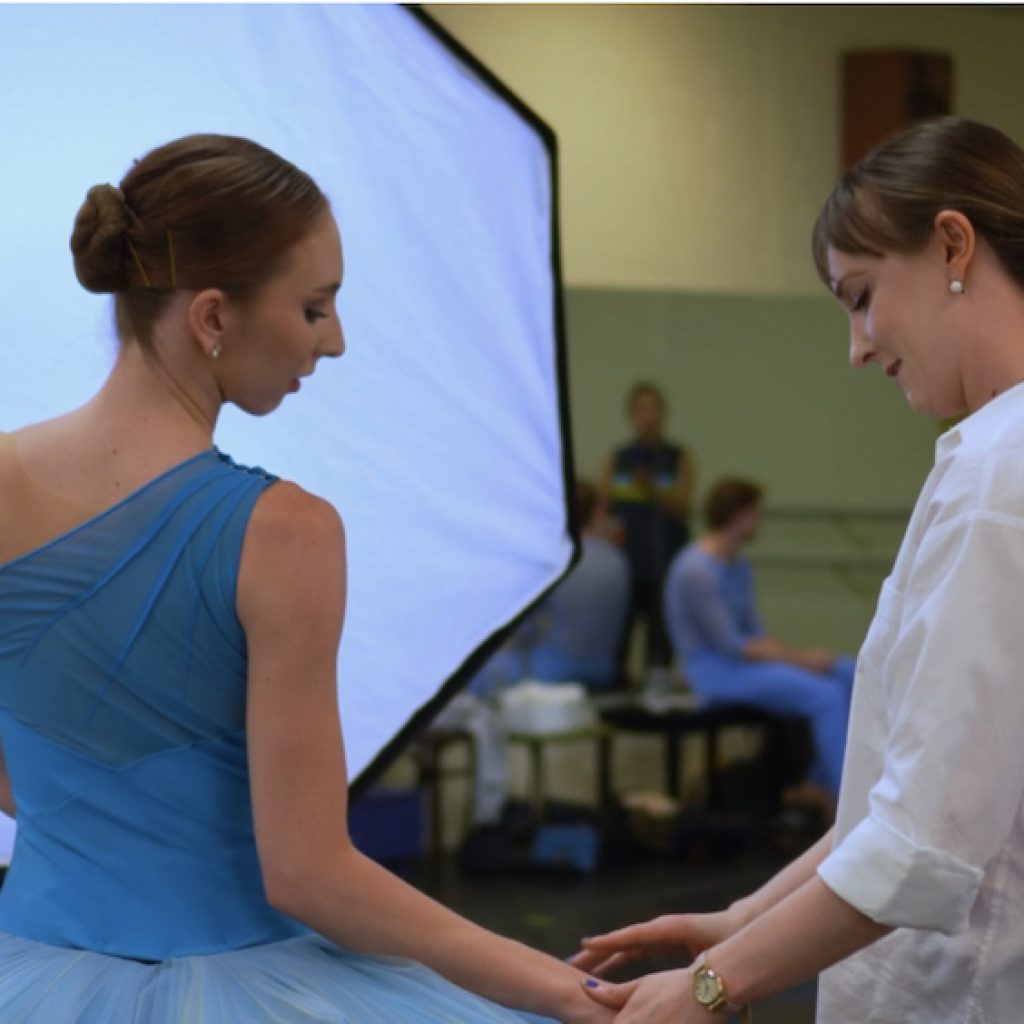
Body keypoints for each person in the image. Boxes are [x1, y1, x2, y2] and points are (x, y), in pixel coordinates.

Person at [0, 134, 615, 1024]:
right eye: (316, 307)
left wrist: (97, 819)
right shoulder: (283, 531)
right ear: (212, 317)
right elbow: (309, 874)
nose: (334, 342)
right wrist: (566, 988)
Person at [571, 115, 1024, 1023]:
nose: (856, 347)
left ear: (951, 246)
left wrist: (714, 985)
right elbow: (898, 797)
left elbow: (920, 839)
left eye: (860, 296)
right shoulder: (989, 463)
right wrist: (739, 922)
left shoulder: (995, 475)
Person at [663, 478, 855, 803]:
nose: (760, 522)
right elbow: (732, 645)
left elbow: (757, 634)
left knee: (847, 672)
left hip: (745, 664)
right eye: (756, 513)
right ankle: (846, 803)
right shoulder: (696, 570)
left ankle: (817, 783)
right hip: (714, 672)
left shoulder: (739, 566)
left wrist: (798, 659)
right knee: (824, 696)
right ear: (739, 515)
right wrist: (802, 661)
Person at [598, 383, 693, 676]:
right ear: (631, 416)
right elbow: (602, 510)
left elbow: (681, 507)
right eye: (641, 410)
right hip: (625, 568)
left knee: (660, 647)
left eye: (653, 410)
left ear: (663, 414)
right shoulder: (618, 458)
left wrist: (651, 489)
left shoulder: (678, 458)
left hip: (664, 567)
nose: (648, 417)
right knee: (618, 643)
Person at [530, 480, 632, 691]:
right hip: (603, 670)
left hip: (552, 672)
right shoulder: (618, 560)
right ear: (597, 514)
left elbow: (524, 629)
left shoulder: (554, 560)